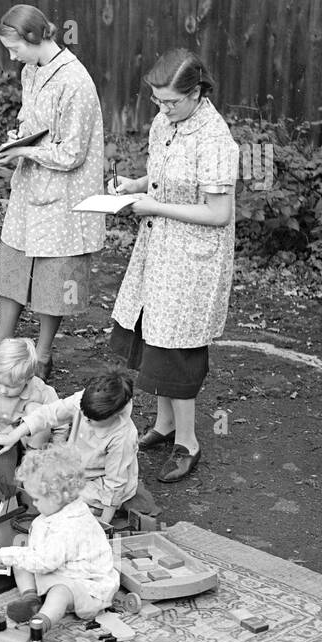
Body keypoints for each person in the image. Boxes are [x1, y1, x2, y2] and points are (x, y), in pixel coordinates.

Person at [108, 49, 240, 483]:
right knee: (152, 333)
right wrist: (135, 185)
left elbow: (218, 212)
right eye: (157, 101)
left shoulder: (215, 140)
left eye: (171, 102)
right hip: (158, 248)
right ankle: (164, 426)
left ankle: (189, 442)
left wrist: (157, 206)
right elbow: (163, 176)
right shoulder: (166, 122)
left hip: (192, 257)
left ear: (197, 92)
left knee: (177, 347)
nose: (162, 109)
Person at [0, 4, 105, 381]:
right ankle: (0, 350)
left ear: (35, 37)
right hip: (31, 186)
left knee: (53, 278)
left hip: (64, 193)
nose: (11, 56)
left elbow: (73, 153)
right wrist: (12, 148)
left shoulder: (76, 82)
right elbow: (31, 125)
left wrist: (25, 152)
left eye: (14, 48)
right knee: (13, 268)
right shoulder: (31, 72)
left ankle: (42, 356)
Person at [0, 444, 120, 630]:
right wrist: (17, 554)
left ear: (55, 497)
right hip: (61, 567)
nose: (33, 503)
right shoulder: (58, 510)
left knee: (60, 592)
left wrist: (10, 555)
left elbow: (46, 561)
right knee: (21, 555)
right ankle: (30, 598)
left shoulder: (68, 527)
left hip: (86, 587)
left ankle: (41, 623)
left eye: (36, 499)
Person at [0, 370, 139, 527]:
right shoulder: (84, 400)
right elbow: (49, 414)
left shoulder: (123, 436)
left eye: (92, 420)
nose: (85, 421)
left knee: (59, 499)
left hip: (97, 482)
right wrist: (13, 436)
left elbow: (114, 484)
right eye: (84, 416)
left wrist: (104, 524)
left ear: (114, 415)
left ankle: (93, 510)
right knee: (36, 482)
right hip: (74, 469)